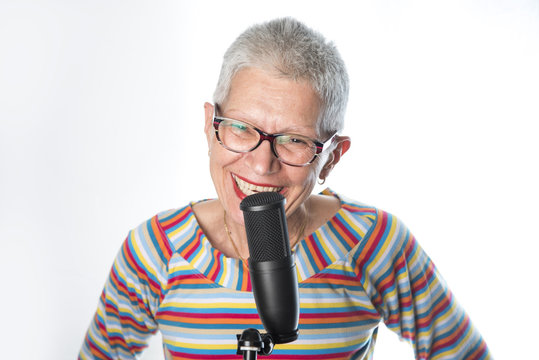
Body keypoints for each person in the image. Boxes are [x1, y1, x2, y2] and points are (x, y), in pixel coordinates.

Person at [79, 17, 491, 360]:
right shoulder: (154, 249)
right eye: (241, 129)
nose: (261, 164)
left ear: (331, 157)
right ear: (210, 126)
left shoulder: (375, 243)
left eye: (294, 140)